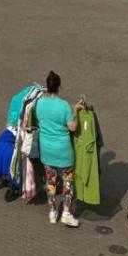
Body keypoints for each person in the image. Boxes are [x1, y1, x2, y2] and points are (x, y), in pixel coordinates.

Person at [35, 71, 83, 226]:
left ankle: (52, 212)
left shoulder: (39, 103)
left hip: (46, 150)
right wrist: (75, 110)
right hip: (63, 152)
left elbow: (40, 120)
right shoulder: (64, 105)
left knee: (51, 182)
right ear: (59, 86)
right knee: (68, 182)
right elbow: (72, 127)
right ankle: (66, 213)